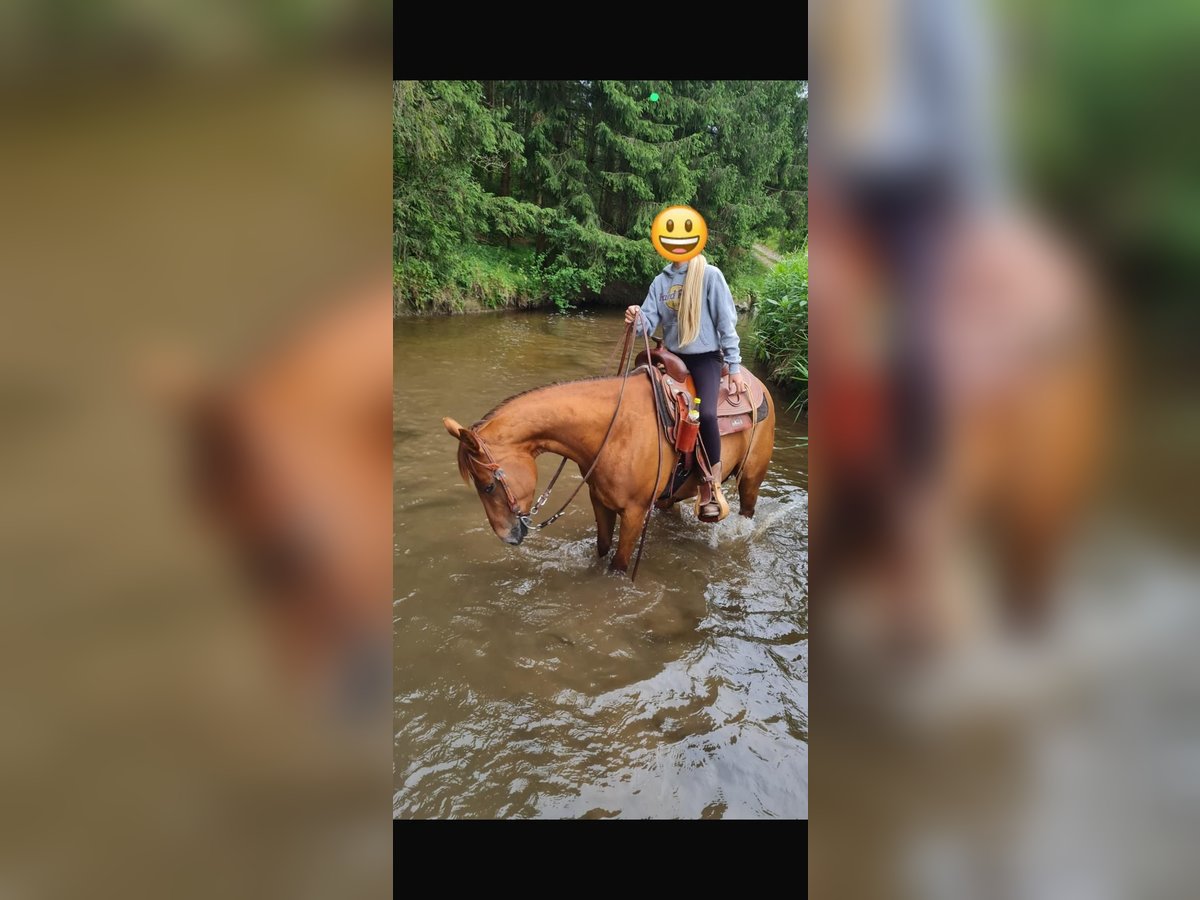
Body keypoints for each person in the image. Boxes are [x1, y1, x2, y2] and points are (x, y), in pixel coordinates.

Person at [625, 254, 748, 522]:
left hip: (705, 357)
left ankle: (711, 485)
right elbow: (646, 324)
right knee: (647, 404)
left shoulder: (710, 275)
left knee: (704, 415)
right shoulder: (660, 281)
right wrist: (636, 317)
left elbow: (726, 323)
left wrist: (735, 367)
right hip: (673, 357)